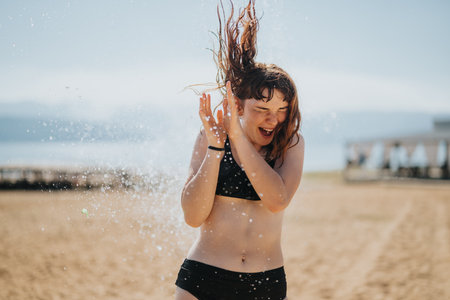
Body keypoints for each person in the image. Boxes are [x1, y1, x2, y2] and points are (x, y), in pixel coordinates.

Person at [175, 1, 304, 299]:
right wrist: (217, 147)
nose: (274, 119)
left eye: (282, 109)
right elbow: (193, 216)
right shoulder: (210, 136)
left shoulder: (291, 143)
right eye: (262, 109)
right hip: (203, 276)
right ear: (240, 106)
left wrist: (238, 138)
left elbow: (276, 199)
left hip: (265, 282)